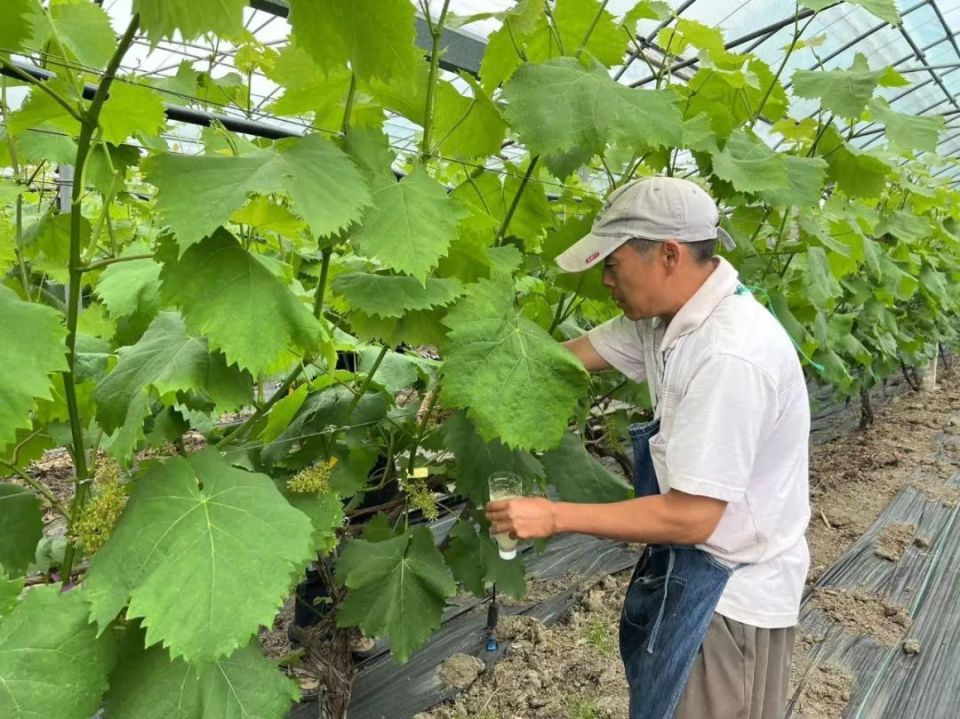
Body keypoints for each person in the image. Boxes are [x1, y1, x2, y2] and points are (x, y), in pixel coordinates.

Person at [486, 176, 811, 719]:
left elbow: (691, 517)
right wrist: (467, 384)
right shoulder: (667, 323)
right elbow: (565, 357)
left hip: (729, 599)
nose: (604, 280)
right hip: (691, 574)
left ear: (667, 255)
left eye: (612, 265)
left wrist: (553, 515)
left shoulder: (729, 356)